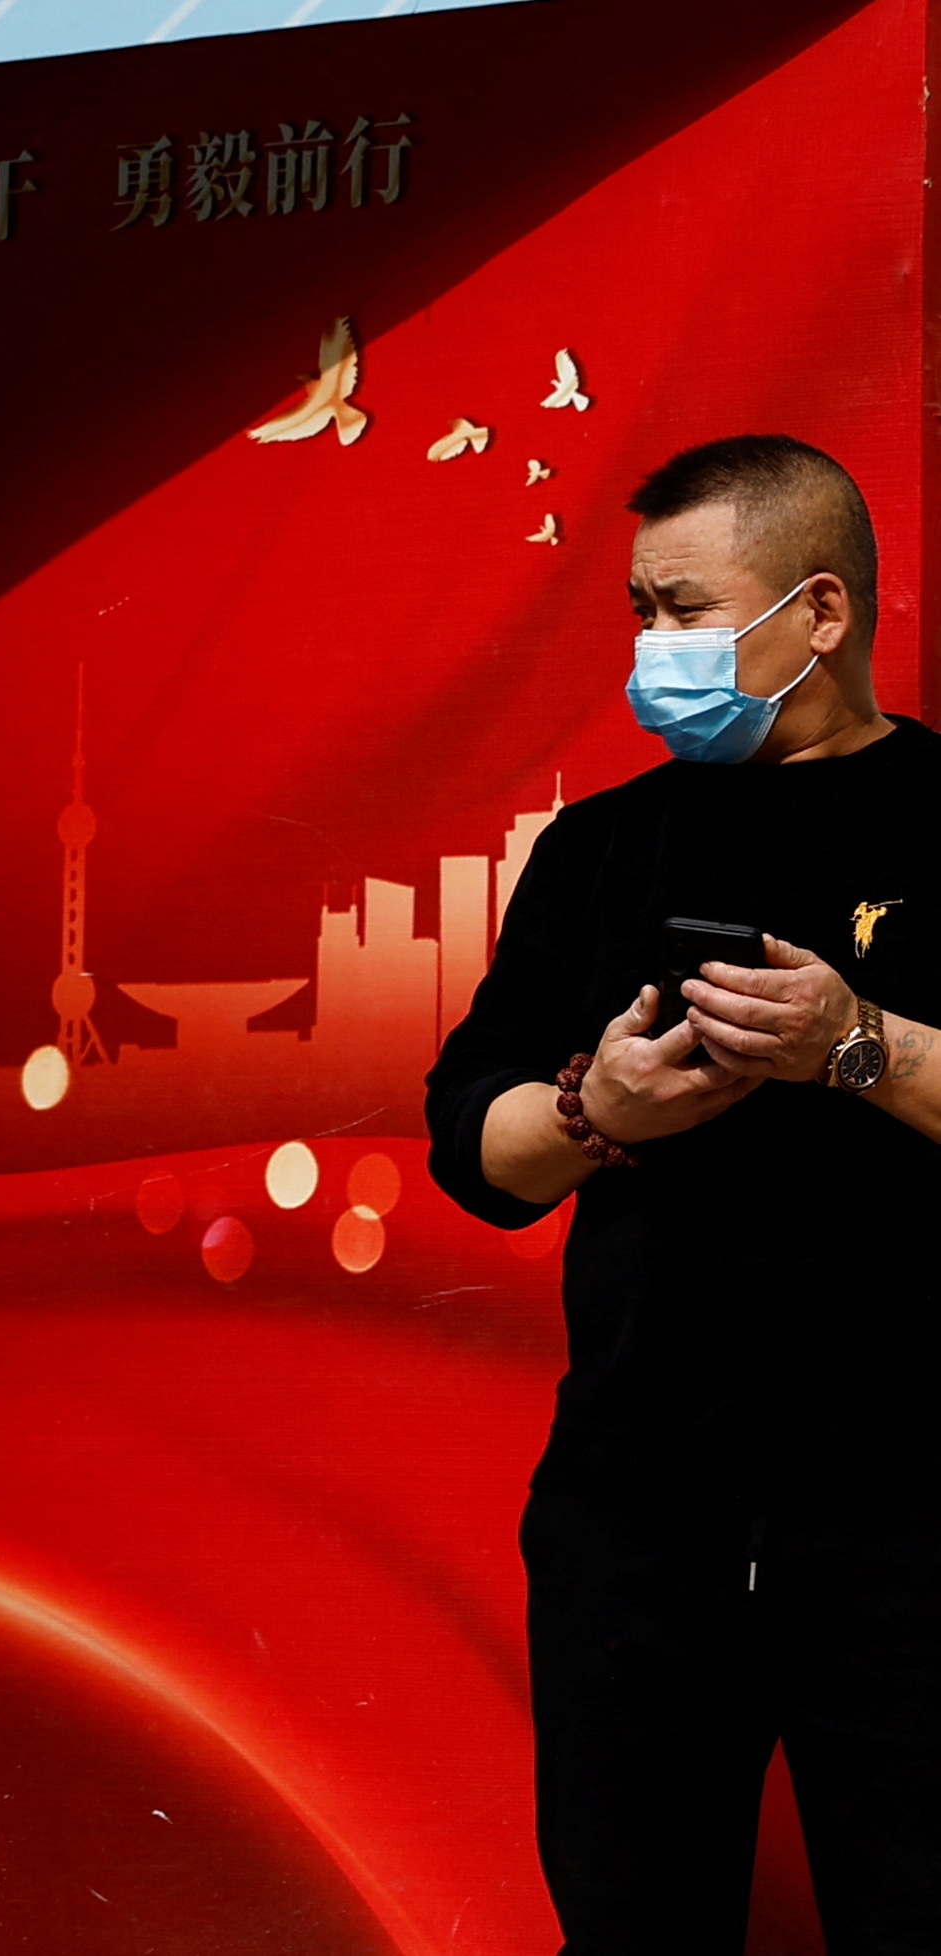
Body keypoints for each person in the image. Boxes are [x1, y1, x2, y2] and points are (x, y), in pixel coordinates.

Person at [428, 435, 941, 1951]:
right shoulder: (598, 847)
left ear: (818, 614)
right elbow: (475, 1143)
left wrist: (851, 1045)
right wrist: (597, 1109)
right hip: (636, 1511)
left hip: (904, 1513)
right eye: (637, 613)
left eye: (682, 610)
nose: (653, 652)